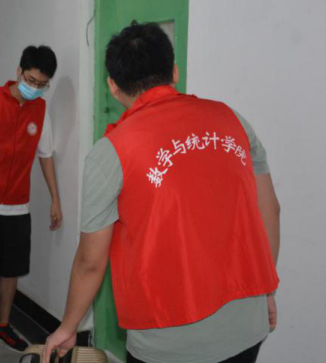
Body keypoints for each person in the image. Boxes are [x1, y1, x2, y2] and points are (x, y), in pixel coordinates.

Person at [44, 21, 280, 363]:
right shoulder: (232, 120)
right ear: (174, 71)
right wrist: (266, 288)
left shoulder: (111, 152)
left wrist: (68, 327)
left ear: (113, 86)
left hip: (168, 341)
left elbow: (90, 262)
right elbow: (269, 210)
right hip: (246, 324)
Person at [0, 45, 63, 353]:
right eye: (31, 80)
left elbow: (45, 156)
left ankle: (2, 327)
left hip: (17, 207)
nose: (35, 88)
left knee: (11, 271)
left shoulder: (40, 110)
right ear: (19, 71)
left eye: (42, 84)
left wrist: (55, 199)